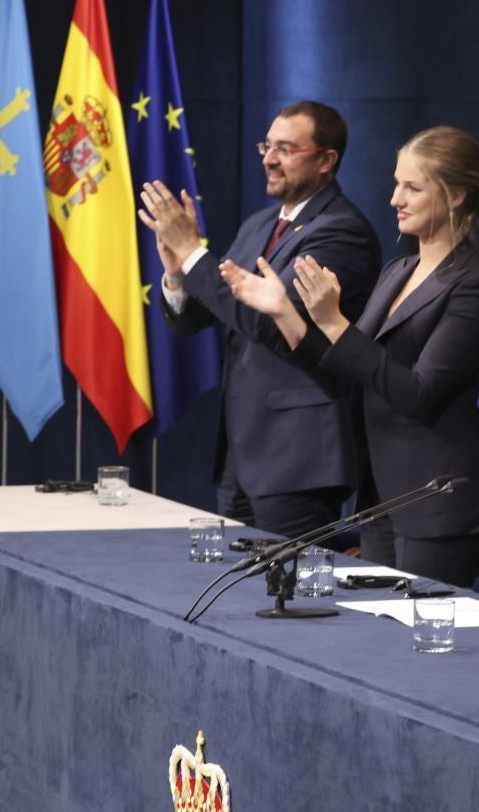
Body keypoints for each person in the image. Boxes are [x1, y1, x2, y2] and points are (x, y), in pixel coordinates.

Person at [220, 127, 479, 585]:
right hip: (380, 497)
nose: (396, 197)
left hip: (437, 503)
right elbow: (346, 375)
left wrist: (333, 322)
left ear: (454, 196)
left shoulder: (475, 286)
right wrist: (286, 313)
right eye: (397, 184)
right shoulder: (399, 270)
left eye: (413, 187)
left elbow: (417, 394)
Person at [139, 102, 381, 540]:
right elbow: (196, 318)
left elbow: (268, 324)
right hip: (240, 453)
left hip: (299, 458)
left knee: (290, 599)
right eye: (266, 146)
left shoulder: (341, 231)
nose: (269, 158)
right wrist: (177, 273)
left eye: (285, 149)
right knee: (237, 600)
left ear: (326, 160)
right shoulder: (259, 225)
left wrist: (196, 253)